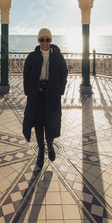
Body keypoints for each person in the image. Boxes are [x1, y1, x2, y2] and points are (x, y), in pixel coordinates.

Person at [23, 28, 68, 167]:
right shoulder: (32, 57)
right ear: (38, 41)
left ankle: (50, 145)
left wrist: (59, 90)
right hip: (37, 95)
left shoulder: (57, 56)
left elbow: (64, 73)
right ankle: (41, 151)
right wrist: (29, 92)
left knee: (51, 121)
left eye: (47, 40)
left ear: (51, 41)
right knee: (38, 123)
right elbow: (26, 75)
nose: (44, 43)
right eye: (42, 40)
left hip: (52, 95)